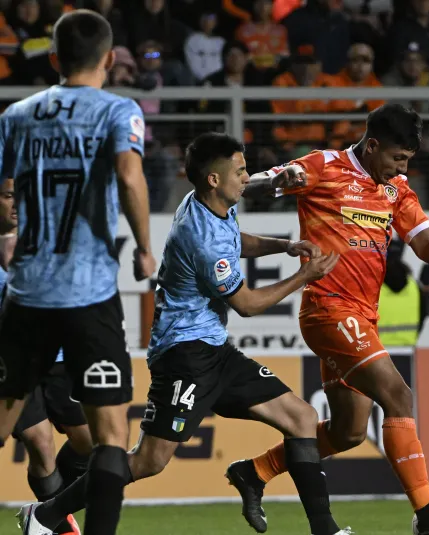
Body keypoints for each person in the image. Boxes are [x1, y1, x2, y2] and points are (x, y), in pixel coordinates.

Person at [17, 132, 354, 535]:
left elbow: (237, 241)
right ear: (214, 179)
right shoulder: (202, 238)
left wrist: (284, 246)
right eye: (240, 171)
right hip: (184, 356)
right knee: (149, 461)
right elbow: (247, 305)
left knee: (301, 417)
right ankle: (45, 515)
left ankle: (325, 529)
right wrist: (304, 276)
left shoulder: (210, 205)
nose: (247, 178)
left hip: (214, 350)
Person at [235, 103, 429, 535]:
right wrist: (277, 179)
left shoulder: (396, 189)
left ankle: (255, 471)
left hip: (361, 317)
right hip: (328, 309)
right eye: (397, 158)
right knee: (399, 396)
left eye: (408, 160)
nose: (402, 168)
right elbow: (255, 185)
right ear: (372, 145)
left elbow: (428, 247)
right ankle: (428, 510)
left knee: (348, 431)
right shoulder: (323, 166)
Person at [0, 10, 156, 535]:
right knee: (110, 440)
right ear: (109, 59)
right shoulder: (118, 110)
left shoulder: (16, 115)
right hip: (88, 295)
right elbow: (130, 176)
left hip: (26, 294)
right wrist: (144, 247)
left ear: (53, 59)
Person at [0, 179, 91, 535]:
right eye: (8, 196)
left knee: (91, 443)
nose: (15, 204)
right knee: (40, 442)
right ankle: (56, 525)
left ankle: (46, 512)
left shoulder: (48, 239)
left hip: (59, 358)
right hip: (12, 363)